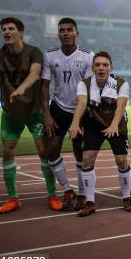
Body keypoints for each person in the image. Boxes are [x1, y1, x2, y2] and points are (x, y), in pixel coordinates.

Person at [0, 17, 61, 214]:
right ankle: (13, 198)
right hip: (11, 113)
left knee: (44, 151)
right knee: (8, 150)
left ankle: (52, 195)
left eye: (10, 29)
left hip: (34, 112)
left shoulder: (34, 52)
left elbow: (34, 75)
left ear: (21, 33)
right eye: (3, 29)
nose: (6, 32)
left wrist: (21, 89)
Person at [68, 52, 131, 217]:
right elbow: (82, 103)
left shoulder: (121, 83)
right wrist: (75, 123)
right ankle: (90, 202)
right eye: (97, 65)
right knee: (87, 159)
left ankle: (127, 197)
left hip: (116, 123)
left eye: (105, 65)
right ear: (92, 68)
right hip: (94, 124)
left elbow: (121, 107)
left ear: (110, 68)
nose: (101, 68)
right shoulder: (84, 84)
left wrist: (114, 124)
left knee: (121, 160)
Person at [41, 18, 94, 211]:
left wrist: (78, 119)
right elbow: (44, 86)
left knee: (80, 153)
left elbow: (88, 89)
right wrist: (46, 114)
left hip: (80, 110)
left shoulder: (88, 56)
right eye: (62, 30)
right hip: (58, 109)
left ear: (76, 33)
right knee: (52, 150)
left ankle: (81, 193)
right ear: (58, 34)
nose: (65, 33)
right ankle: (67, 190)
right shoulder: (50, 55)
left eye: (69, 30)